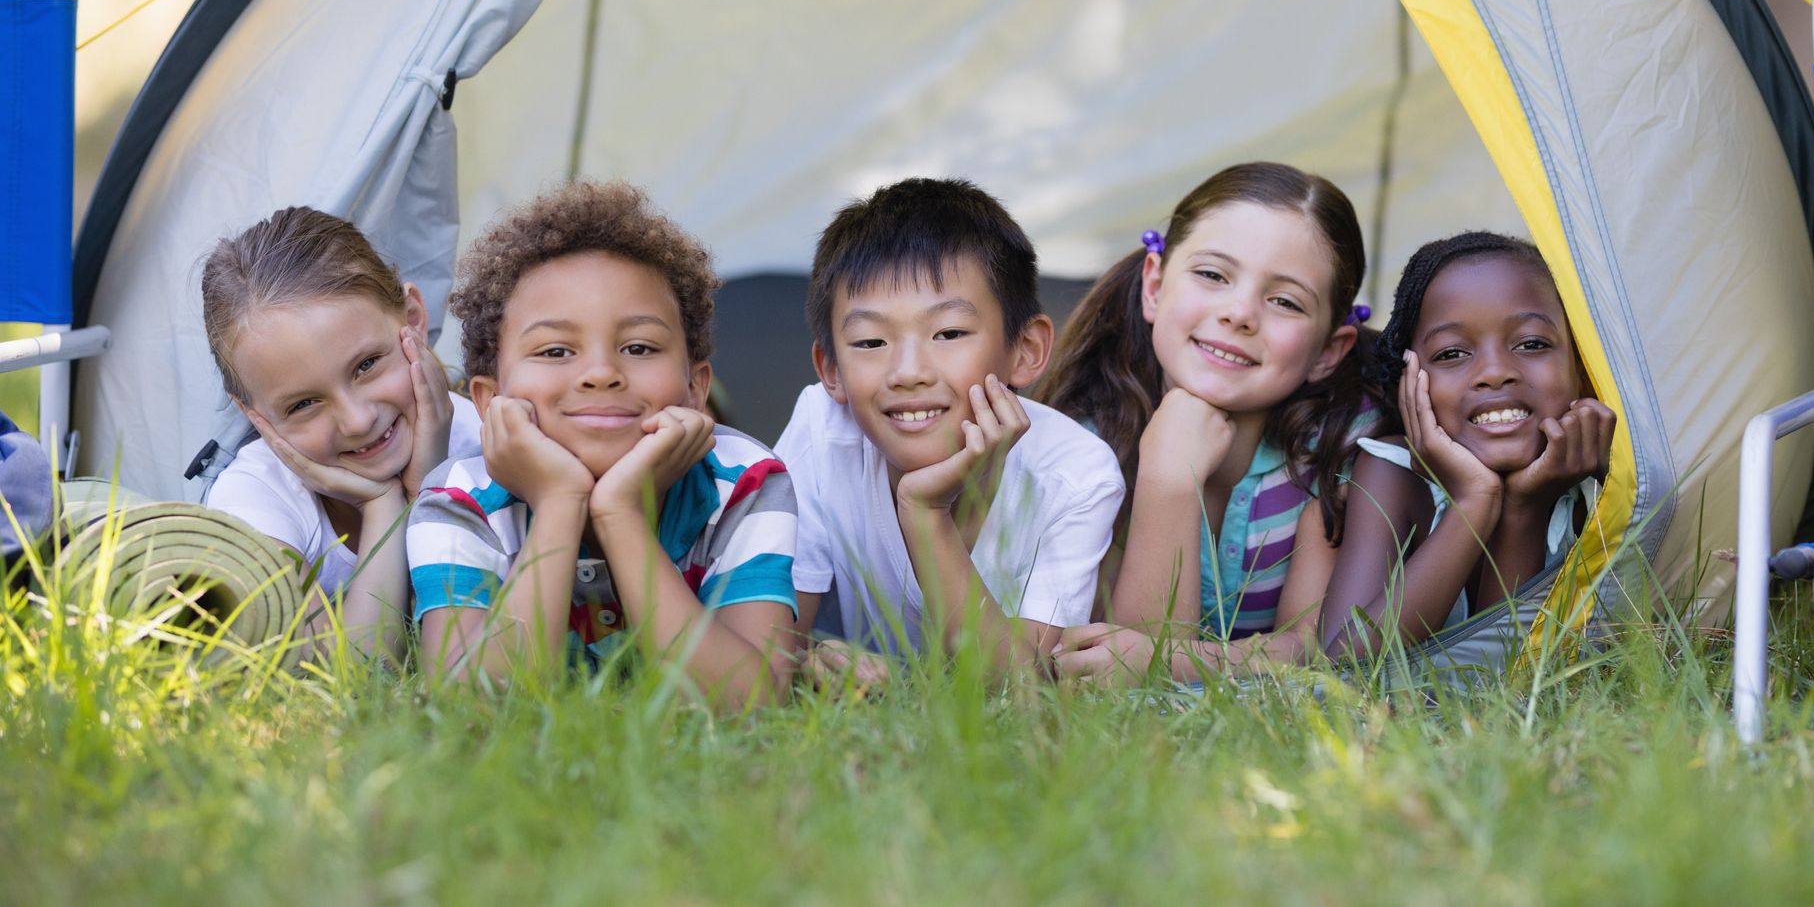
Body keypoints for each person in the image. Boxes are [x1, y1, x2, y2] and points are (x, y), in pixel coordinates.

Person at [409, 182, 797, 707]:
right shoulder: (457, 502)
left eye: (639, 347)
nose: (600, 373)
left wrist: (622, 515)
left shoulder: (744, 483)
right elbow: (469, 708)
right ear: (489, 399)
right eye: (555, 350)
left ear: (696, 387)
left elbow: (749, 703)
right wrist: (558, 503)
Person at [1042, 162, 1387, 683]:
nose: (1240, 312)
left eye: (1285, 301)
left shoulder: (1341, 446)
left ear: (1328, 350)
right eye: (1212, 275)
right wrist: (1166, 480)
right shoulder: (1082, 446)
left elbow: (1313, 645)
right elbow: (1108, 657)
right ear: (1155, 286)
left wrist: (1176, 664)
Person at [776, 178, 1124, 680]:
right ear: (830, 369)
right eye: (871, 341)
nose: (909, 371)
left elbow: (1020, 686)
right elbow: (771, 652)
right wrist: (810, 663)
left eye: (949, 333)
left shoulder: (1074, 476)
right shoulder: (822, 431)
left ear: (1025, 351)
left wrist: (925, 512)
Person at [1317, 231, 1614, 659]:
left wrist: (1523, 509)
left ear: (1581, 366)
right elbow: (1345, 664)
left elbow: (1507, 685)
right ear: (1409, 382)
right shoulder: (1392, 473)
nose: (1494, 372)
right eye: (1452, 353)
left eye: (1531, 344)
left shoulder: (1616, 477)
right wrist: (1475, 501)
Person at [202, 206, 479, 661]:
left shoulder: (494, 443)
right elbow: (349, 684)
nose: (357, 421)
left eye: (366, 365)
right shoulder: (254, 497)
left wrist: (431, 489)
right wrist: (384, 506)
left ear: (412, 319)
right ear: (255, 416)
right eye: (304, 404)